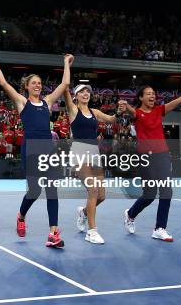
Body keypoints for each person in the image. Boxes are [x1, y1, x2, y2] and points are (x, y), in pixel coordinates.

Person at [0, 52, 73, 248]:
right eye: (34, 83)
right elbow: (3, 83)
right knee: (35, 190)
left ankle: (53, 233)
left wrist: (65, 63)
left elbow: (64, 84)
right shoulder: (22, 102)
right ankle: (21, 215)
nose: (38, 85)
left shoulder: (48, 102)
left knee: (52, 190)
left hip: (48, 150)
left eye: (40, 83)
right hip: (31, 150)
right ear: (26, 86)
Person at [120, 80, 181, 242]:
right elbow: (129, 110)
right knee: (149, 195)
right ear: (141, 98)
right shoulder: (137, 114)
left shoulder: (159, 110)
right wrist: (124, 105)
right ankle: (130, 214)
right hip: (145, 158)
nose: (152, 96)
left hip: (162, 155)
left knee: (166, 192)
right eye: (148, 94)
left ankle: (159, 228)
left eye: (153, 94)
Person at [64, 83, 121, 244]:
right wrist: (67, 65)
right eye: (81, 91)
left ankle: (83, 212)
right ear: (75, 95)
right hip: (79, 154)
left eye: (88, 91)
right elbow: (65, 88)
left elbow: (111, 120)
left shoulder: (95, 112)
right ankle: (92, 231)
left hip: (94, 155)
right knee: (93, 190)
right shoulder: (73, 110)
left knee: (101, 196)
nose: (85, 93)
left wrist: (119, 111)